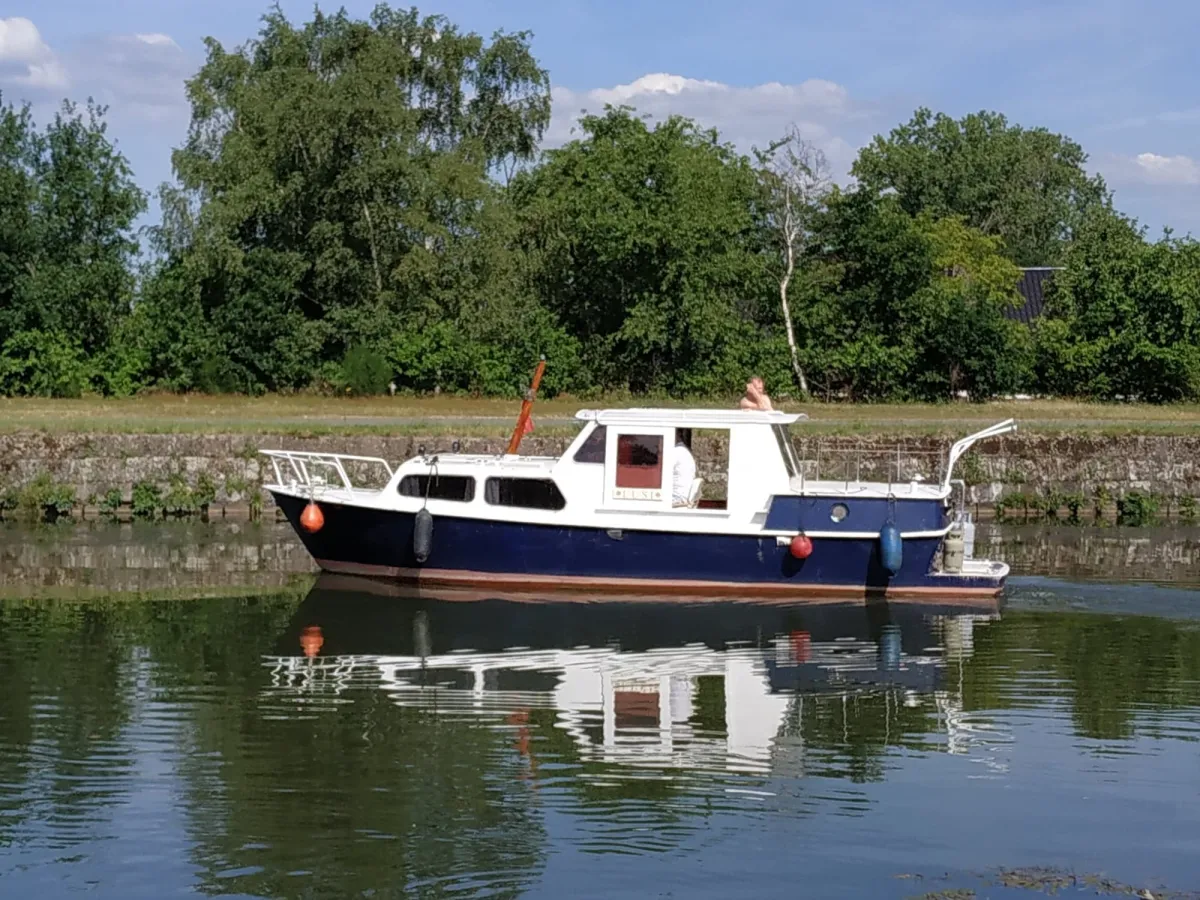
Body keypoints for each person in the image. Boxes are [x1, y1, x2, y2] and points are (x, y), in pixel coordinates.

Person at [672, 428, 697, 507]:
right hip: (682, 497)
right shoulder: (684, 451)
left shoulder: (676, 451)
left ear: (678, 435)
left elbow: (661, 473)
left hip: (676, 498)